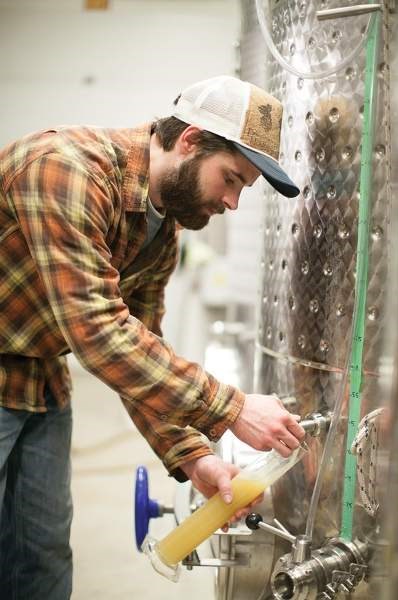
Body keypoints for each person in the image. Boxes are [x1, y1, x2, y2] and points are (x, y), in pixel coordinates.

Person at [0, 75, 304, 599]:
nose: (232, 202)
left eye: (242, 190)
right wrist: (232, 409)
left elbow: (139, 346)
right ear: (189, 141)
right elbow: (99, 333)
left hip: (42, 378)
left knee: (41, 554)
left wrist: (193, 454)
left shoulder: (164, 226)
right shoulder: (64, 168)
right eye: (230, 179)